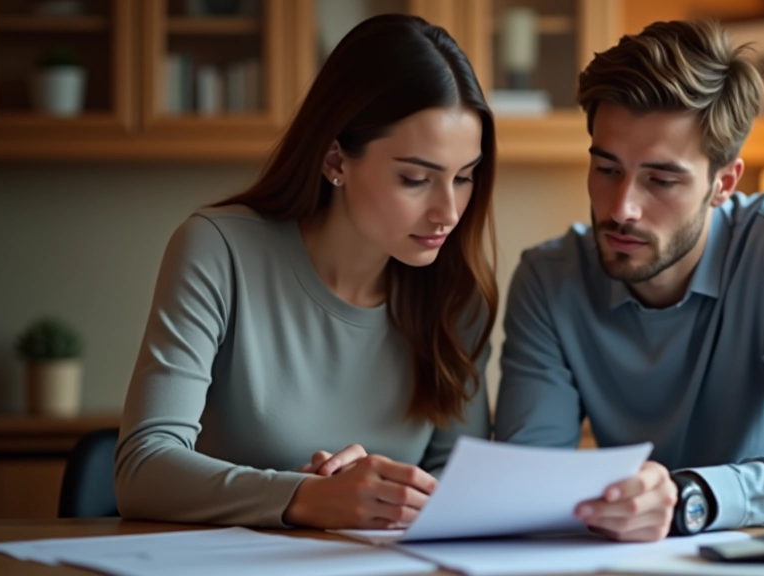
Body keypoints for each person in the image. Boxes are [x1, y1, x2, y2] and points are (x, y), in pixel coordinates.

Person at [114, 14, 498, 530]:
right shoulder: (218, 250)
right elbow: (142, 468)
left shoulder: (457, 297)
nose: (448, 212)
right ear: (335, 158)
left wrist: (383, 496)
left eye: (464, 177)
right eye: (415, 178)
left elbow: (458, 485)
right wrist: (308, 497)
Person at [495, 20, 764, 542]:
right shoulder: (548, 279)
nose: (622, 209)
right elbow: (527, 482)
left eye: (661, 180)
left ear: (723, 183)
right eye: (607, 169)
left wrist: (690, 497)